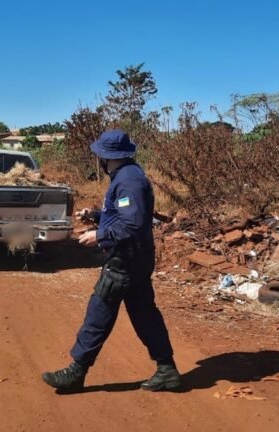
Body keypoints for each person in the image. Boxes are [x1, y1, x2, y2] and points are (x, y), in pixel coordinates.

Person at [42, 129, 181, 392]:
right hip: (135, 258)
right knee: (144, 314)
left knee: (100, 311)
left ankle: (76, 371)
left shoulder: (128, 180)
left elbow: (134, 224)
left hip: (125, 260)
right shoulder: (127, 175)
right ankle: (167, 369)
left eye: (99, 155)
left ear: (106, 156)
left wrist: (99, 235)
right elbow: (124, 214)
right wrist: (95, 215)